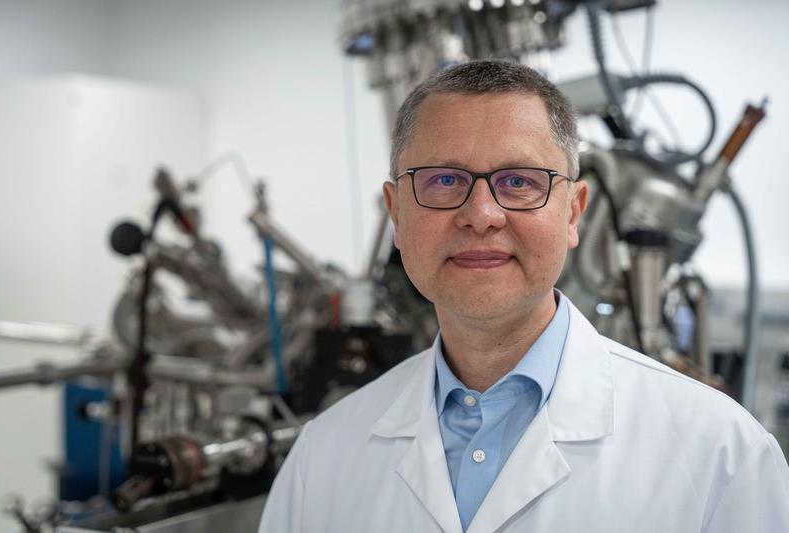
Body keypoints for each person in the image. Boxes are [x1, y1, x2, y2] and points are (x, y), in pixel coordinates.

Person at [259, 60, 789, 533]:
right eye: (444, 180)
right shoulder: (323, 459)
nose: (481, 215)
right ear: (396, 214)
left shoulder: (720, 455)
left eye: (518, 182)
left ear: (573, 212)